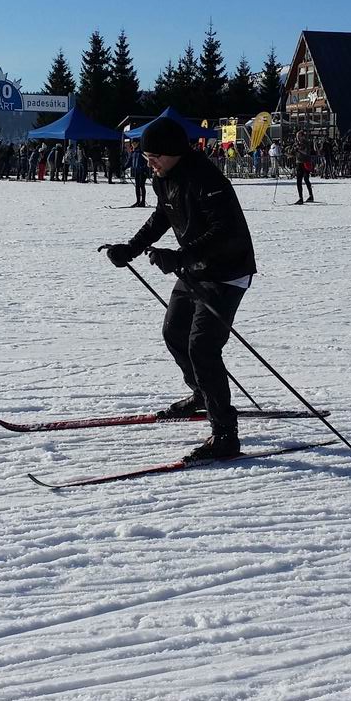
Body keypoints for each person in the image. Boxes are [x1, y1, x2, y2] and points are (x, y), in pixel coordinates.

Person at [103, 117, 256, 462]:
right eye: (146, 157)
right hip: (194, 269)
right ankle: (203, 394)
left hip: (226, 272)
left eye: (154, 156)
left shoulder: (206, 178)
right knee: (174, 332)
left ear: (174, 151)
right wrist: (130, 248)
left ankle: (225, 434)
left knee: (202, 346)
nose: (150, 163)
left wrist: (179, 256)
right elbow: (163, 216)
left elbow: (224, 233)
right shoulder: (165, 178)